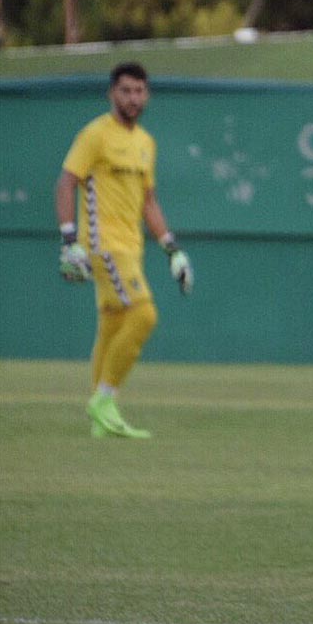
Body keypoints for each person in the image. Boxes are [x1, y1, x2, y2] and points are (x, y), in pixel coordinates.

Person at [56, 61, 193, 439]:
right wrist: (69, 241)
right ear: (111, 94)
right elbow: (66, 183)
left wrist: (172, 249)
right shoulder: (95, 135)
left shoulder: (146, 143)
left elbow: (149, 202)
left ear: (147, 95)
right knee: (144, 315)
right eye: (126, 91)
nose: (133, 98)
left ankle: (99, 420)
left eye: (139, 91)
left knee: (113, 325)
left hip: (132, 247)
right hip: (103, 246)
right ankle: (104, 399)